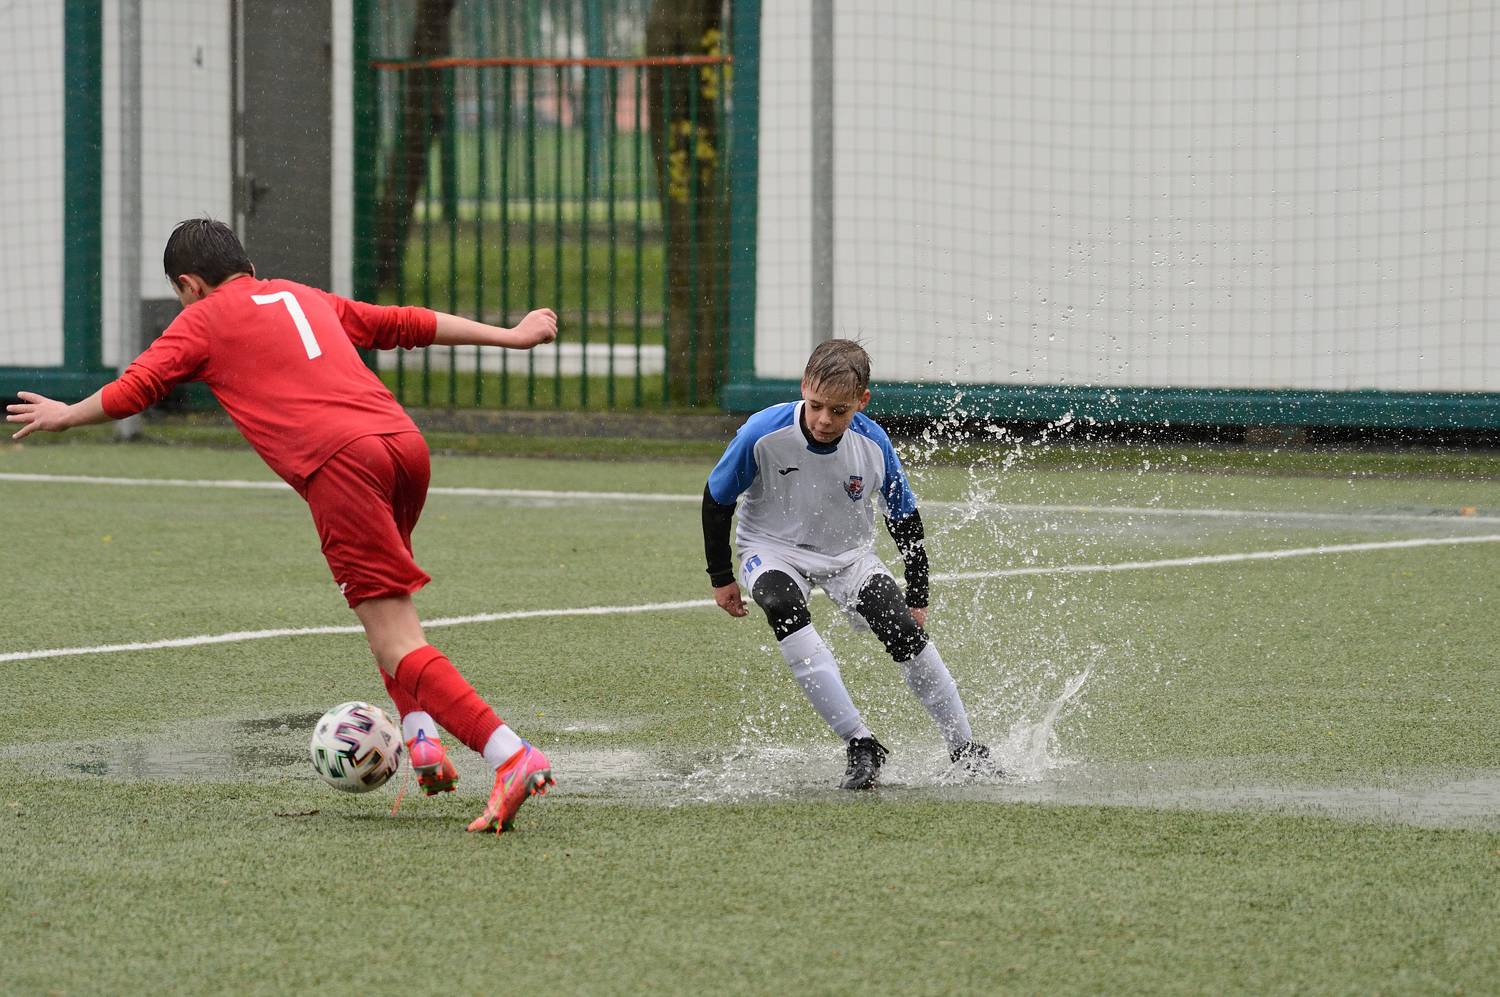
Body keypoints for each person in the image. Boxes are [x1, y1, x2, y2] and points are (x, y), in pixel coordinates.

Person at [7, 218, 554, 834]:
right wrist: (510, 336)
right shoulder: (300, 294)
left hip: (342, 463)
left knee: (394, 637)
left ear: (189, 285)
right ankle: (421, 736)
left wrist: (65, 414)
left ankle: (510, 755)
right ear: (245, 265)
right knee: (389, 618)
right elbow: (405, 323)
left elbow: (136, 389)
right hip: (403, 446)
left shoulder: (201, 320)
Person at [702, 339, 993, 789]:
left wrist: (917, 594)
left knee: (901, 630)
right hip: (772, 548)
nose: (824, 420)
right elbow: (717, 500)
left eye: (839, 411)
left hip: (849, 558)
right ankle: (861, 742)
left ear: (862, 401)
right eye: (816, 405)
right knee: (781, 605)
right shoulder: (761, 432)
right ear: (804, 386)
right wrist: (721, 577)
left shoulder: (873, 443)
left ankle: (965, 748)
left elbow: (904, 520)